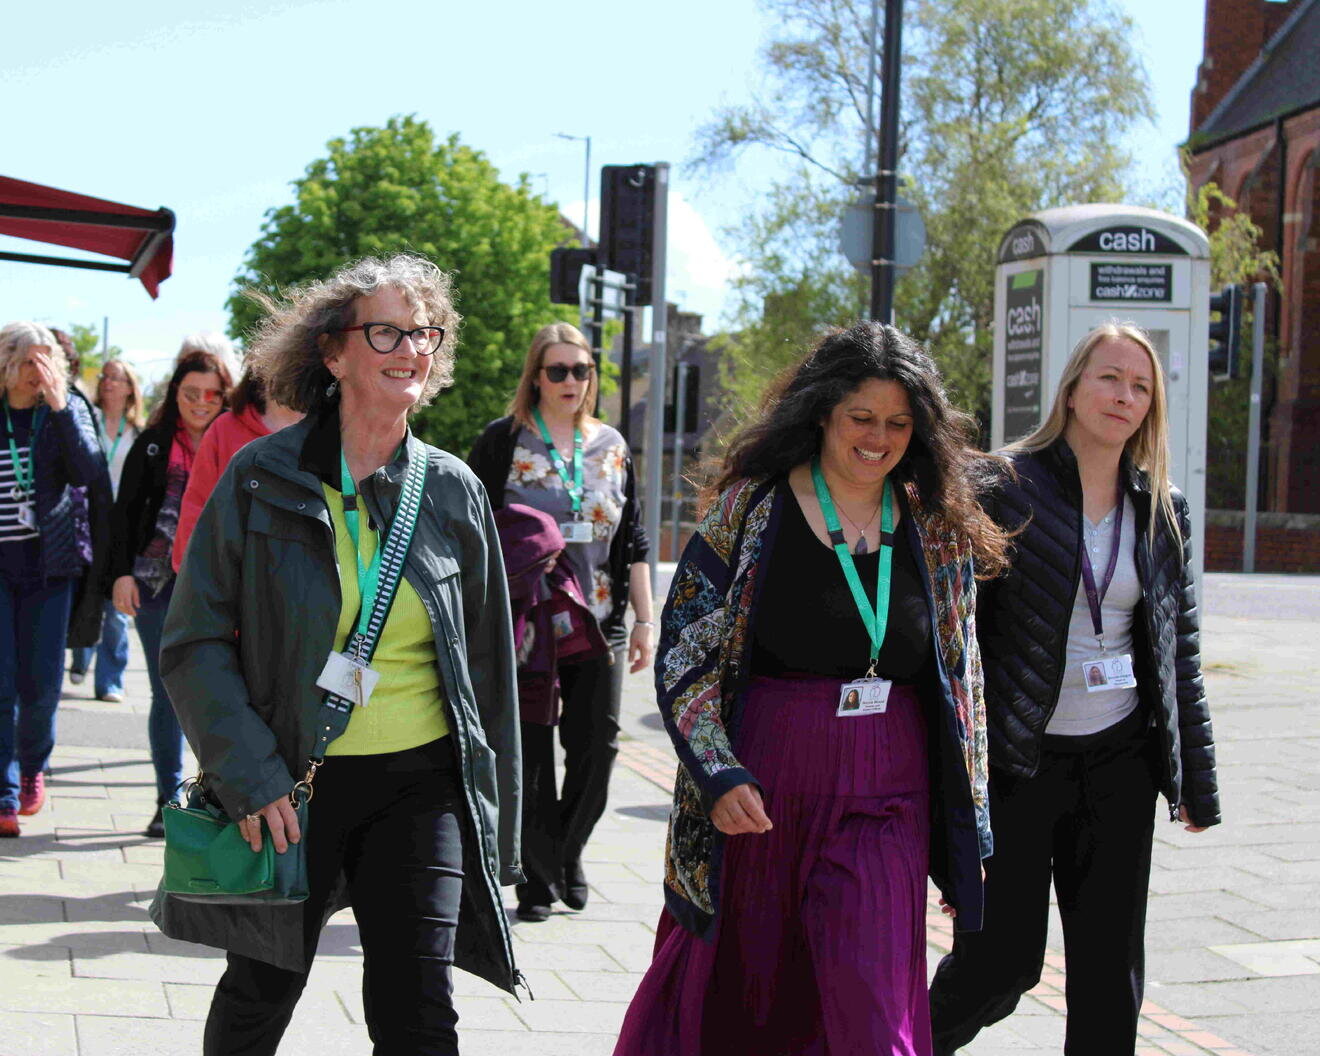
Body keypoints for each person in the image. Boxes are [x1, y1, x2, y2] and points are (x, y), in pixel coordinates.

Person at [151, 254, 523, 1055]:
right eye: (386, 330)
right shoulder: (260, 479)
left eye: (425, 332)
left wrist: (502, 824)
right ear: (332, 352)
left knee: (419, 1004)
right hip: (290, 782)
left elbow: (490, 674)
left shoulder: (453, 490)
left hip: (421, 787)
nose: (410, 349)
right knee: (259, 993)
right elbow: (193, 641)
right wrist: (249, 776)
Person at [615, 322, 1011, 1055]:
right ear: (823, 412)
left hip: (891, 788)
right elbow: (687, 654)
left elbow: (965, 679)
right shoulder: (749, 508)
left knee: (872, 1001)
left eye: (899, 423)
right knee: (748, 998)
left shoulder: (937, 523)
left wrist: (971, 823)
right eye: (861, 417)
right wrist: (717, 770)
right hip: (764, 783)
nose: (878, 437)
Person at [928, 323, 1221, 1056]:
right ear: (1072, 387)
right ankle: (905, 1045)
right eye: (1109, 378)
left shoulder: (1163, 509)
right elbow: (954, 643)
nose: (1123, 396)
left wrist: (1196, 779)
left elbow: (1175, 647)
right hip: (1021, 766)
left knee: (1108, 973)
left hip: (1120, 763)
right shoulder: (1002, 487)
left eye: (1140, 386)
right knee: (1001, 963)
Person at [468, 321, 654, 922]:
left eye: (582, 370)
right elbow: (471, 532)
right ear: (536, 378)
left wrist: (645, 621)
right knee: (532, 753)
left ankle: (564, 854)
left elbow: (636, 539)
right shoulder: (504, 442)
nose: (572, 380)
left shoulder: (614, 445)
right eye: (558, 371)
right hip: (525, 624)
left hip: (601, 618)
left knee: (597, 746)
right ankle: (536, 883)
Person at [109, 349, 233, 837]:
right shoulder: (154, 443)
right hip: (155, 583)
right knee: (168, 692)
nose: (201, 403)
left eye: (212, 394)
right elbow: (124, 513)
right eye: (190, 393)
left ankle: (219, 795)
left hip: (217, 583)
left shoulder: (238, 440)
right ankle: (167, 801)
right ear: (174, 393)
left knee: (216, 692)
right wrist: (120, 574)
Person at [0, 322, 107, 837]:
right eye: (26, 360)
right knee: (0, 683)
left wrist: (62, 404)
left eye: (45, 359)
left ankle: (32, 768)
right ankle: (3, 790)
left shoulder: (67, 410)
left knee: (39, 684)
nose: (36, 370)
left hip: (49, 568)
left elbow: (89, 470)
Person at [170, 366, 303, 572]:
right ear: (260, 367)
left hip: (300, 580)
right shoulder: (224, 428)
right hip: (232, 578)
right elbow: (197, 505)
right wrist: (190, 573)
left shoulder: (327, 431)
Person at [68, 358, 146, 701]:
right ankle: (81, 655)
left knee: (116, 609)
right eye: (104, 377)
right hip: (86, 522)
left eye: (115, 378)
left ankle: (110, 681)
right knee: (85, 594)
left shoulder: (139, 433)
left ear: (130, 386)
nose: (107, 383)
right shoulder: (88, 420)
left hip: (120, 527)